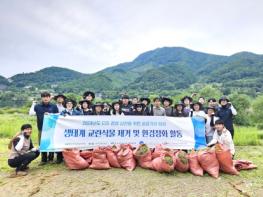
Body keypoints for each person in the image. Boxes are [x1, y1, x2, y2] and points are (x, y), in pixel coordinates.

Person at [31, 92, 58, 165]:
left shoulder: (54, 106)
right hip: (41, 128)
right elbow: (31, 113)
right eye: (44, 97)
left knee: (51, 143)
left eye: (47, 97)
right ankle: (43, 159)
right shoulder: (37, 106)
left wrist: (50, 115)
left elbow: (56, 116)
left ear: (50, 98)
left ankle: (51, 158)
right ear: (41, 98)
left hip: (51, 128)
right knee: (42, 143)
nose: (45, 98)